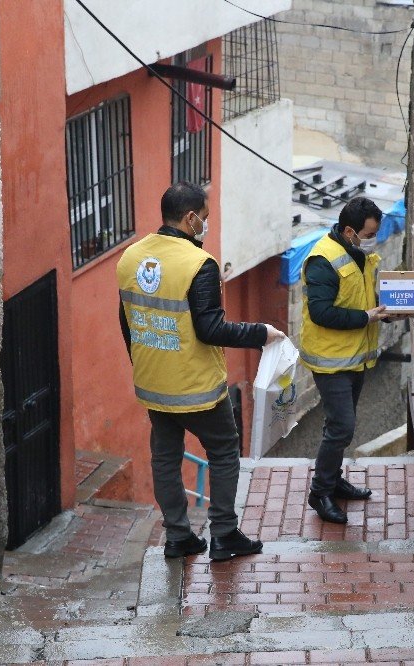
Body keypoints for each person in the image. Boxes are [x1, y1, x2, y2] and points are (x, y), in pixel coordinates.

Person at [117, 181, 285, 560]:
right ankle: (224, 534)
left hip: (153, 384)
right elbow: (210, 329)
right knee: (224, 450)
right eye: (204, 218)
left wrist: (146, 363)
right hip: (197, 388)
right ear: (190, 218)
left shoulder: (130, 257)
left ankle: (178, 536)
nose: (206, 225)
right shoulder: (199, 264)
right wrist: (262, 332)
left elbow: (127, 322)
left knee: (164, 457)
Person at [300, 197, 389, 524]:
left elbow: (365, 298)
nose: (372, 238)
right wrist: (366, 317)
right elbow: (321, 312)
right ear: (349, 230)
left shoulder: (358, 253)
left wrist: (386, 311)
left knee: (338, 426)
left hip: (355, 358)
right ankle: (320, 491)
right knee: (342, 426)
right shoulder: (323, 260)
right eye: (368, 233)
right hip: (331, 361)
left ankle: (333, 480)